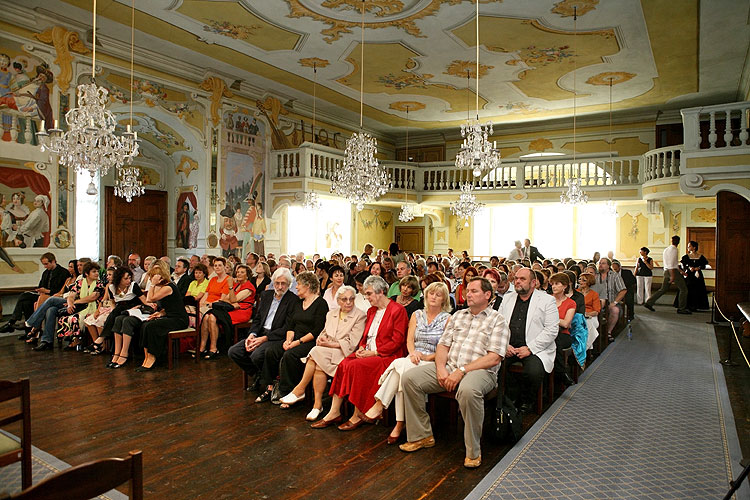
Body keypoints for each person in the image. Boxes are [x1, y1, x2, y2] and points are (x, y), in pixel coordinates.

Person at [399, 277, 507, 468]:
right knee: (410, 378)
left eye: (474, 291)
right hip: (450, 366)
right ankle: (422, 436)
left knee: (467, 390)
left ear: (487, 295)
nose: (468, 294)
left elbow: (494, 358)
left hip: (480, 371)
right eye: (468, 291)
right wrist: (441, 368)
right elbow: (443, 345)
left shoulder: (497, 320)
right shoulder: (458, 316)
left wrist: (461, 370)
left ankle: (473, 451)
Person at [312, 276, 407, 430]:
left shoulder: (397, 310)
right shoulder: (371, 311)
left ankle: (357, 414)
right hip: (369, 352)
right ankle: (334, 412)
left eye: (369, 294)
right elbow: (365, 336)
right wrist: (362, 347)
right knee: (344, 364)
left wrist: (374, 352)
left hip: (387, 356)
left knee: (356, 366)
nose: (366, 297)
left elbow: (397, 342)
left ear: (381, 292)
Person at [370, 281, 451, 444]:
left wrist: (428, 357)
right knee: (404, 371)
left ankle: (382, 406)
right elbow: (409, 340)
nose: (433, 297)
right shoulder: (417, 314)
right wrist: (413, 353)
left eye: (438, 294)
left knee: (402, 368)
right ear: (425, 295)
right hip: (414, 357)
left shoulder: (448, 319)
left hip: (433, 361)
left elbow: (449, 347)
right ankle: (399, 423)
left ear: (444, 299)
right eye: (431, 293)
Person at [279, 286, 366, 421]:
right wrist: (321, 338)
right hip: (327, 351)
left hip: (344, 353)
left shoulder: (360, 315)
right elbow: (324, 332)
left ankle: (300, 390)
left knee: (315, 352)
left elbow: (351, 343)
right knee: (318, 362)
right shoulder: (331, 314)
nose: (348, 302)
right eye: (344, 299)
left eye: (351, 299)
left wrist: (328, 344)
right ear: (338, 301)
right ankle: (316, 404)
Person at [256, 272, 328, 403]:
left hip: (310, 341)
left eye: (298, 284)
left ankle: (288, 391)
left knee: (290, 355)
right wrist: (289, 340)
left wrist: (296, 343)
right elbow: (290, 326)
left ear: (307, 286)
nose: (296, 287)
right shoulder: (298, 303)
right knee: (271, 351)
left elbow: (316, 330)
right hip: (294, 338)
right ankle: (270, 386)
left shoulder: (321, 303)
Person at [498, 268, 558, 414]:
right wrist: (505, 344)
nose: (517, 281)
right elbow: (497, 324)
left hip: (535, 347)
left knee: (533, 372)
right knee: (494, 365)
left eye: (522, 279)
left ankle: (527, 400)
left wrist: (530, 348)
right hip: (509, 346)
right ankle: (508, 399)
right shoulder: (507, 298)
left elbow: (551, 330)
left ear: (533, 283)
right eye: (516, 278)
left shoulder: (547, 300)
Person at [227, 268, 299, 390]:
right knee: (234, 351)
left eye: (283, 284)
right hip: (260, 333)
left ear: (289, 284)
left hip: (275, 337)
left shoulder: (293, 300)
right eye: (277, 283)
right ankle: (259, 375)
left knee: (257, 355)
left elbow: (287, 327)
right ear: (273, 282)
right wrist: (252, 334)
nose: (280, 287)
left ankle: (266, 380)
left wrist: (264, 339)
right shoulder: (266, 295)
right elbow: (258, 319)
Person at [134, 260, 189, 371]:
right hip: (170, 316)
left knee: (151, 327)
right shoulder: (163, 287)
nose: (150, 279)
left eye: (152, 277)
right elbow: (170, 306)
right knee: (145, 324)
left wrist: (153, 284)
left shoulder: (168, 287)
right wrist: (160, 313)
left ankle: (153, 357)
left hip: (179, 320)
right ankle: (147, 357)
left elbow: (149, 299)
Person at [0, 252, 69, 333]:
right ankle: (28, 331)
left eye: (46, 264)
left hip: (53, 297)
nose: (45, 266)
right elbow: (41, 285)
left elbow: (62, 291)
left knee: (24, 296)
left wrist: (47, 291)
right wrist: (40, 290)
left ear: (53, 261)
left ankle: (12, 322)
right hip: (43, 295)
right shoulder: (46, 272)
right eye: (44, 264)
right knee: (26, 302)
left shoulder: (63, 272)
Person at [199, 264, 255, 359]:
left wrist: (230, 287)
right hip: (233, 309)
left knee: (213, 316)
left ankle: (213, 348)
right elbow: (226, 299)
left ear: (247, 275)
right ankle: (202, 347)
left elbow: (233, 299)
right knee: (208, 316)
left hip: (242, 312)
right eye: (238, 272)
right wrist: (232, 302)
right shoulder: (237, 285)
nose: (239, 274)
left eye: (242, 272)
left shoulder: (249, 287)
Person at [55, 262, 105, 350]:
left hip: (95, 308)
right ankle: (75, 339)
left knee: (75, 318)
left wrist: (76, 302)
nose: (97, 273)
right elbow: (71, 296)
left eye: (97, 271)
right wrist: (70, 305)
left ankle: (82, 342)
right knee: (65, 317)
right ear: (86, 273)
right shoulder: (79, 283)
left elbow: (93, 297)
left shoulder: (99, 284)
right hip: (81, 307)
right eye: (94, 271)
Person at [644, 235, 690, 314]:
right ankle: (682, 308)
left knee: (663, 289)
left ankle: (649, 302)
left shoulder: (666, 249)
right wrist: (672, 275)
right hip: (672, 271)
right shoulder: (674, 249)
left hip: (666, 271)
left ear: (671, 241)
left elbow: (672, 263)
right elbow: (671, 264)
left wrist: (681, 271)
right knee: (684, 289)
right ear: (678, 242)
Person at [549, 273, 577, 387]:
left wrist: (551, 318)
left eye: (557, 284)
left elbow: (566, 323)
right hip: (548, 331)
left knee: (555, 341)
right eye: (552, 284)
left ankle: (560, 372)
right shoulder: (547, 300)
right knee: (550, 339)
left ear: (564, 286)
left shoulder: (571, 303)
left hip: (563, 334)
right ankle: (561, 373)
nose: (553, 287)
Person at [593, 258, 627, 340]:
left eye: (603, 263)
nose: (600, 265)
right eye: (600, 263)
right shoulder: (595, 276)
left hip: (611, 301)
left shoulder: (615, 276)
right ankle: (594, 333)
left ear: (608, 266)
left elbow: (623, 291)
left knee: (615, 310)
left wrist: (615, 302)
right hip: (597, 302)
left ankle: (608, 332)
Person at [578, 273, 601, 350]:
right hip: (577, 315)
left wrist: (586, 314)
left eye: (584, 280)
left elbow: (596, 311)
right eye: (580, 279)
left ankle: (584, 348)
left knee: (587, 324)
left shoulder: (594, 294)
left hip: (591, 316)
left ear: (589, 282)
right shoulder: (576, 292)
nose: (581, 282)